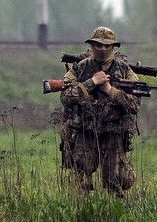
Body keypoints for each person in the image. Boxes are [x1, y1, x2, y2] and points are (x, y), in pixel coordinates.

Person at [59, 27, 141, 196]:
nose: (103, 49)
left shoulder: (125, 70)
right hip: (85, 130)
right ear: (91, 46)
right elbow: (65, 96)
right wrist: (91, 83)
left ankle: (113, 216)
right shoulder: (79, 69)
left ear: (113, 47)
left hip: (114, 132)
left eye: (107, 46)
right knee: (81, 179)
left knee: (117, 180)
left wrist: (110, 90)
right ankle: (81, 215)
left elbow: (135, 105)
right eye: (98, 45)